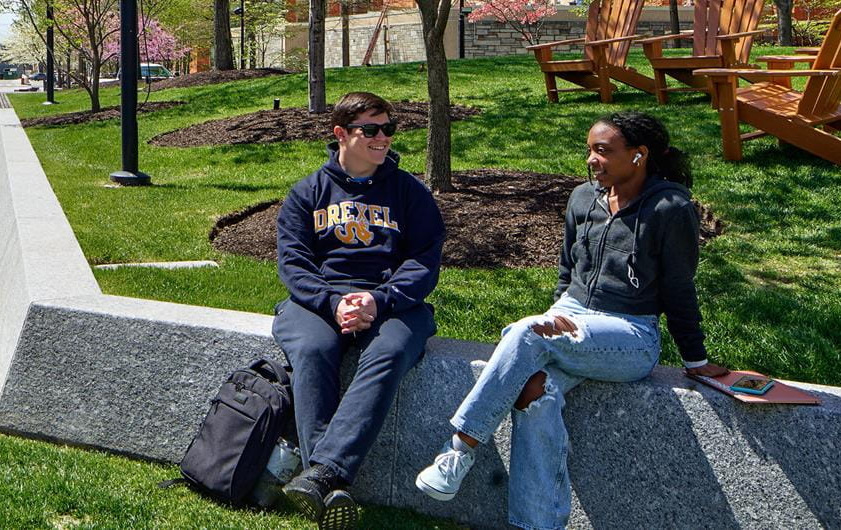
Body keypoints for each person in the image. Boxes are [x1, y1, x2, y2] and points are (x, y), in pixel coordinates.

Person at [412, 111, 730, 530]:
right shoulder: (583, 198)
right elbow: (567, 272)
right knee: (534, 391)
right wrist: (557, 316)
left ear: (639, 155)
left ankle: (461, 449)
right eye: (589, 151)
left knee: (525, 332)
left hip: (631, 334)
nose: (591, 160)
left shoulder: (671, 208)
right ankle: (537, 525)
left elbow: (678, 289)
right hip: (573, 315)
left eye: (603, 151)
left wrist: (695, 360)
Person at [274, 92, 445, 529]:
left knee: (389, 352)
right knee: (311, 349)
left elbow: (425, 261)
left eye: (388, 128)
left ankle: (320, 475)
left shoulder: (410, 193)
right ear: (340, 134)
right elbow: (294, 262)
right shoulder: (307, 193)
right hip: (318, 300)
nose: (382, 137)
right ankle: (329, 482)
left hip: (392, 302)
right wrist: (333, 303)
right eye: (370, 129)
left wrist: (379, 299)